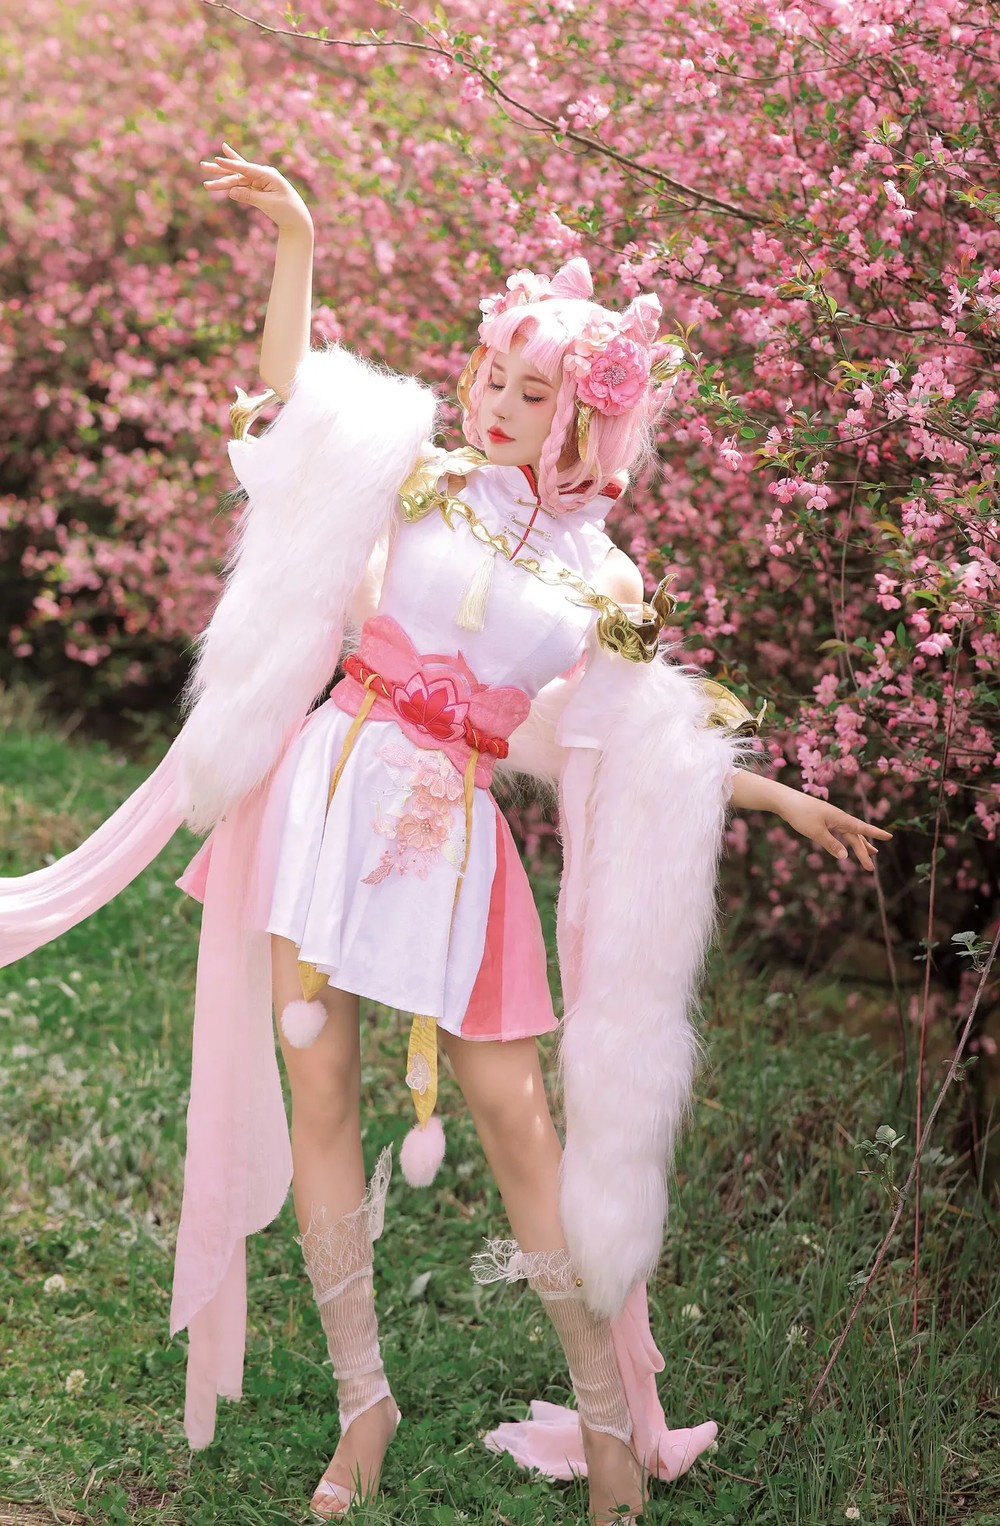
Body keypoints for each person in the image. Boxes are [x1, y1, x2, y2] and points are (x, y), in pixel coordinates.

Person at [0, 142, 891, 1525]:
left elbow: (641, 734)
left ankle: (610, 1433)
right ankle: (363, 1403)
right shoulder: (412, 475)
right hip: (327, 797)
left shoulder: (608, 579)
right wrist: (298, 242)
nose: (498, 403)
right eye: (492, 376)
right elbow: (295, 400)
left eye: (535, 393)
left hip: (454, 843)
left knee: (518, 1129)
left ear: (587, 420)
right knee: (321, 1091)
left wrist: (768, 791)